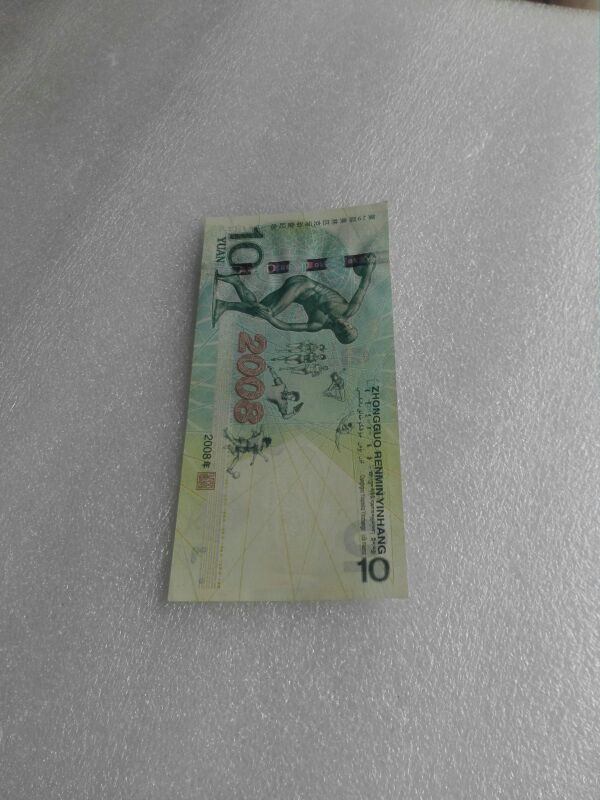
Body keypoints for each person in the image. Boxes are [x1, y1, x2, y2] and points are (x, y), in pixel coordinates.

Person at [212, 253, 377, 344]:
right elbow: (363, 288)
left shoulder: (317, 325)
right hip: (303, 284)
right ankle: (224, 305)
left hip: (292, 292)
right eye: (350, 327)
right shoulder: (350, 309)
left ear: (337, 334)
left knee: (257, 309)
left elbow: (287, 326)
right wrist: (369, 267)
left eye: (344, 331)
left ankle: (234, 284)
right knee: (269, 311)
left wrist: (269, 319)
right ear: (351, 324)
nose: (345, 326)